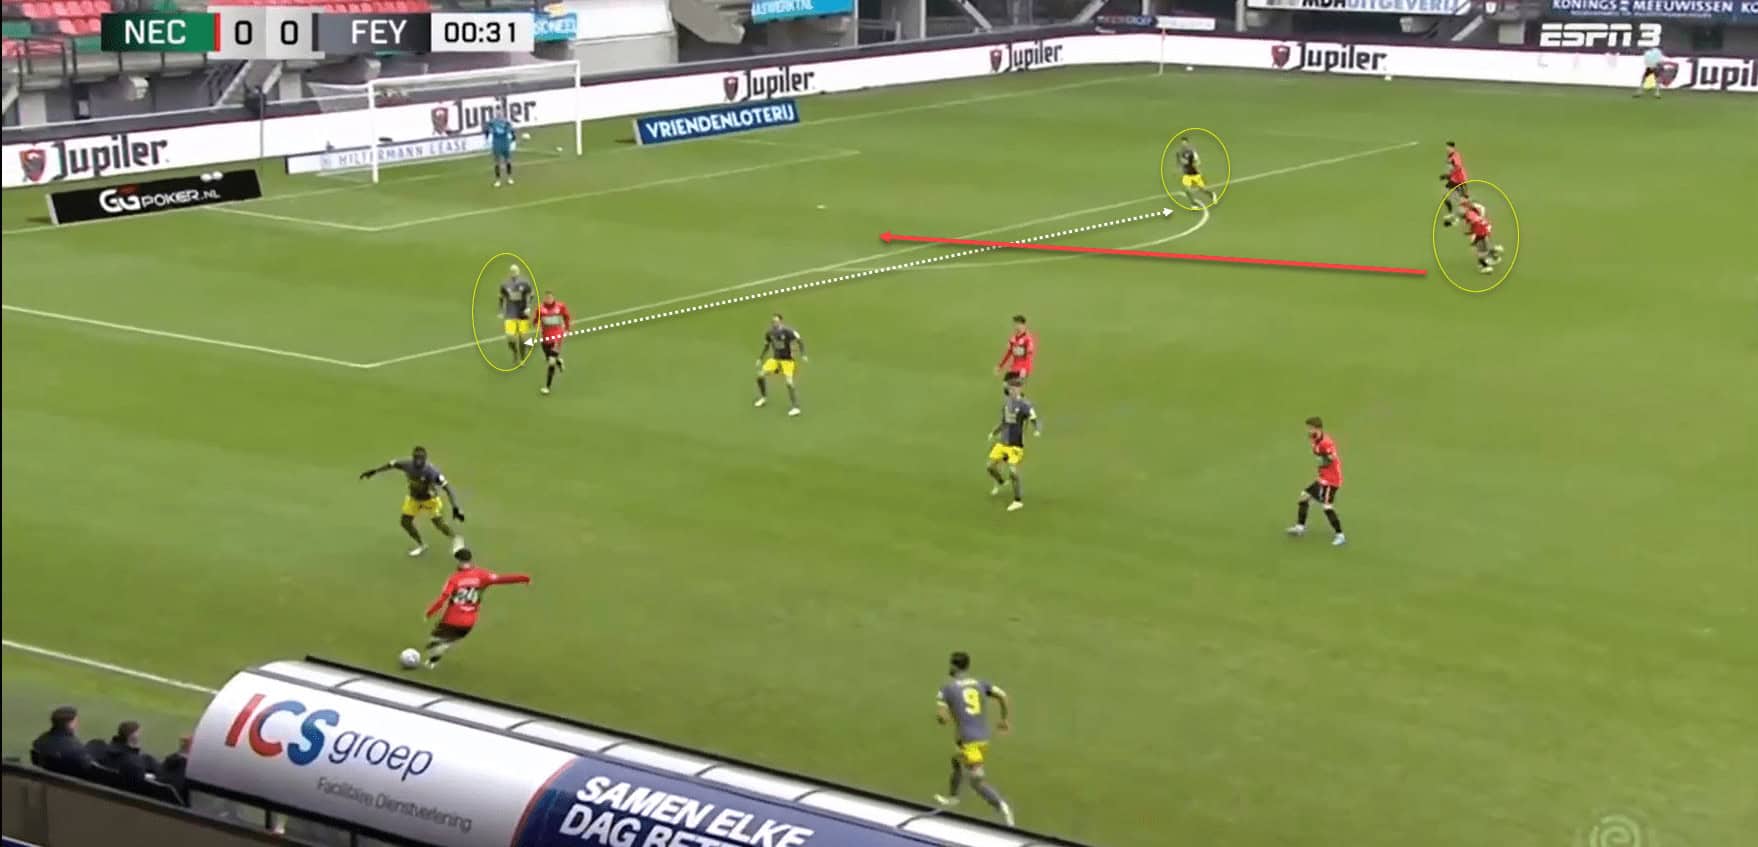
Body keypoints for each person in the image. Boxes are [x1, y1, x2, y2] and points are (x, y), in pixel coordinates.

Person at [932, 651, 1014, 826]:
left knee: (977, 781)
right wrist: (1004, 719)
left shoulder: (947, 689)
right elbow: (1002, 696)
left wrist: (943, 718)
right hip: (983, 738)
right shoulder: (981, 683)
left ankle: (1002, 806)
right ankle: (953, 798)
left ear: (954, 666)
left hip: (969, 742)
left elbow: (942, 717)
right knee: (956, 760)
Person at [421, 548, 532, 669]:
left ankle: (436, 656)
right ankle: (440, 653)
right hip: (469, 622)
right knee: (447, 640)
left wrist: (429, 612)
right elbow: (502, 579)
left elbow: (443, 598)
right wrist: (523, 578)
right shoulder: (482, 575)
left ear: (458, 561)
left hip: (451, 619)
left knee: (434, 643)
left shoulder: (454, 579)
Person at [360, 446, 466, 557]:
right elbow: (391, 464)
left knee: (438, 523)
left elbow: (448, 488)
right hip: (414, 498)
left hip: (430, 500)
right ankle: (422, 545)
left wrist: (455, 507)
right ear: (413, 457)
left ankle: (456, 538)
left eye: (421, 458)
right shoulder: (407, 464)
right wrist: (375, 471)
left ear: (425, 458)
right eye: (416, 458)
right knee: (405, 522)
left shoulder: (431, 471)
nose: (418, 461)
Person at [1288, 416, 1346, 546]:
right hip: (1323, 478)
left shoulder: (1326, 442)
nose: (1308, 430)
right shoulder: (1314, 438)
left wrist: (1323, 460)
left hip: (1331, 480)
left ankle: (1340, 535)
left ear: (1317, 428)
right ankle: (1300, 527)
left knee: (1327, 507)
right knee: (1304, 497)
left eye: (1310, 428)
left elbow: (1332, 457)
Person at [987, 380, 1040, 512]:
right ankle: (1002, 482)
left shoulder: (1025, 405)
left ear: (1019, 389)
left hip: (1016, 445)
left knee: (1013, 471)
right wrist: (994, 432)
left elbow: (1033, 417)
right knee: (990, 466)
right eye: (1011, 389)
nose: (1013, 391)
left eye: (1015, 388)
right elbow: (1004, 422)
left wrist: (1036, 429)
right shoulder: (1007, 404)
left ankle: (1017, 501)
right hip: (1003, 443)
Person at [754, 313, 805, 416]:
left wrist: (803, 354)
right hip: (776, 360)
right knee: (760, 375)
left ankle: (796, 407)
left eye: (776, 321)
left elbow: (799, 340)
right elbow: (766, 346)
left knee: (789, 383)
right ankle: (763, 398)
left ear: (781, 321)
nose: (774, 323)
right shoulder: (769, 333)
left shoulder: (788, 332)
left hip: (787, 361)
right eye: (773, 321)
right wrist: (760, 358)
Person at [31, 705, 92, 776]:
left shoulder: (41, 739)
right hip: (68, 781)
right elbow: (87, 768)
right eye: (76, 721)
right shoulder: (75, 748)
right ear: (69, 724)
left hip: (47, 778)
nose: (77, 724)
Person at [497, 264, 536, 365]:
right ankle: (515, 352)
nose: (514, 273)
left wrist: (528, 307)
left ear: (518, 272)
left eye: (515, 271)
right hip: (510, 313)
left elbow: (531, 295)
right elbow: (501, 298)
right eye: (512, 271)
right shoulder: (505, 284)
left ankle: (523, 358)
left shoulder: (525, 283)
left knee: (523, 338)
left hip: (522, 313)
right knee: (510, 338)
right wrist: (501, 311)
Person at [100, 721, 157, 788]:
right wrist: (149, 776)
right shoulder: (133, 760)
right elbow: (136, 779)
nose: (140, 735)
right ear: (132, 736)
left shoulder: (105, 750)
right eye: (138, 733)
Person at [536, 291, 572, 396]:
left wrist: (567, 328)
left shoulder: (560, 306)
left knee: (551, 362)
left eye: (550, 298)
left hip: (557, 337)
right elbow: (536, 320)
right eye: (547, 298)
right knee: (549, 358)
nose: (549, 300)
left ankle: (547, 387)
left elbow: (567, 317)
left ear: (553, 298)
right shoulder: (540, 308)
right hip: (545, 337)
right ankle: (559, 362)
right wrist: (537, 325)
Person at [1460, 202, 1505, 274]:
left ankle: (1486, 265)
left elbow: (1468, 228)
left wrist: (1470, 235)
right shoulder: (1473, 212)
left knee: (1480, 250)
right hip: (1484, 228)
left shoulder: (1469, 215)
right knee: (1484, 246)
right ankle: (1493, 257)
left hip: (1481, 231)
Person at [994, 315, 1036, 392]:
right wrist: (1000, 366)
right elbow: (1008, 353)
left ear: (1023, 325)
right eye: (1015, 324)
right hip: (1014, 368)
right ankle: (1017, 398)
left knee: (1014, 390)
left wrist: (1023, 352)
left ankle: (1020, 399)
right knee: (1006, 386)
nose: (1016, 326)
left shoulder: (1028, 339)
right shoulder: (1013, 339)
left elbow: (1030, 352)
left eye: (1018, 324)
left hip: (1023, 369)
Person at [1175, 138, 1217, 209]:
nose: (1184, 145)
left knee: (1202, 189)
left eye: (1185, 143)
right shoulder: (1179, 153)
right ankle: (1193, 204)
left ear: (1187, 144)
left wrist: (1194, 164)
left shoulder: (1192, 152)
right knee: (1187, 190)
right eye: (1182, 143)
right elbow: (1179, 163)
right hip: (1187, 174)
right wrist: (1179, 169)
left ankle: (1212, 194)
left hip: (1195, 173)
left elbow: (1198, 161)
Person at [1440, 141, 1470, 226]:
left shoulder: (1455, 156)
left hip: (1460, 181)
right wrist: (1447, 176)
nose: (1447, 149)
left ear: (1453, 148)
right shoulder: (1450, 156)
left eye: (1449, 147)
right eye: (1446, 147)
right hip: (1453, 180)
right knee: (1445, 195)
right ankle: (1451, 213)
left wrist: (1448, 175)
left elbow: (1458, 167)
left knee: (1462, 201)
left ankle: (1464, 217)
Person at [484, 108, 516, 187]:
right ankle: (498, 180)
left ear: (502, 114)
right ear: (495, 114)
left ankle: (509, 178)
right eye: (497, 113)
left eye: (500, 113)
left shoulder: (506, 122)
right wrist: (487, 137)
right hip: (497, 143)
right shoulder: (492, 122)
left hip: (505, 142)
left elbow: (512, 130)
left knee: (508, 161)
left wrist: (513, 138)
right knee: (497, 162)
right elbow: (486, 129)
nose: (499, 115)